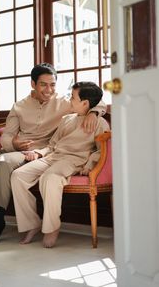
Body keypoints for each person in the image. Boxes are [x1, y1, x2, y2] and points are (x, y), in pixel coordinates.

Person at [0, 64, 106, 245]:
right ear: (33, 84)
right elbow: (7, 136)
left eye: (53, 85)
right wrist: (14, 143)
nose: (49, 90)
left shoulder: (65, 104)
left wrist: (94, 113)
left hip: (36, 153)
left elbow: (94, 99)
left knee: (4, 161)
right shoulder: (19, 106)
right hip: (11, 150)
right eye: (43, 85)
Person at [10, 81, 110, 248]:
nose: (70, 100)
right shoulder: (66, 120)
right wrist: (38, 153)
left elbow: (101, 150)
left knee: (50, 178)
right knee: (18, 175)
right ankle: (31, 223)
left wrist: (90, 164)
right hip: (54, 156)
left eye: (73, 97)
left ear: (85, 103)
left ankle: (51, 228)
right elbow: (52, 145)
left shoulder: (100, 123)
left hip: (74, 159)